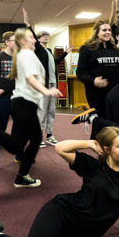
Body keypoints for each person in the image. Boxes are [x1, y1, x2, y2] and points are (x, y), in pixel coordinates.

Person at [0, 28, 62, 188]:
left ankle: (22, 175)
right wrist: (47, 91)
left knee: (34, 139)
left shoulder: (24, 55)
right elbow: (31, 78)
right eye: (31, 38)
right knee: (18, 144)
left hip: (23, 102)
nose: (34, 40)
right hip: (25, 102)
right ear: (22, 42)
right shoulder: (27, 55)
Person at [22, 8, 72, 147]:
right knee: (42, 112)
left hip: (53, 83)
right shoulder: (38, 49)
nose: (46, 37)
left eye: (47, 36)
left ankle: (49, 135)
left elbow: (54, 63)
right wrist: (28, 24)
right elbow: (33, 36)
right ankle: (37, 137)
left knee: (51, 111)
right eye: (43, 36)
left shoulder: (49, 51)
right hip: (43, 85)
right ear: (38, 39)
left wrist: (66, 53)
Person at [76, 21, 119, 120]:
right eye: (104, 30)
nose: (108, 32)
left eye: (109, 30)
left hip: (115, 92)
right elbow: (80, 72)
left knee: (114, 121)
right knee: (101, 122)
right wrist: (93, 80)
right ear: (96, 33)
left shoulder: (114, 49)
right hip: (96, 93)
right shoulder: (87, 49)